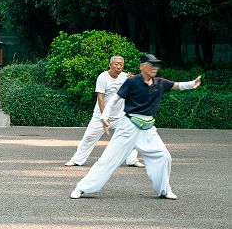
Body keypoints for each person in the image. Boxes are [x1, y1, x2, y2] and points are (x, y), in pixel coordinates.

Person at [70, 54, 201, 200]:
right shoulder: (132, 82)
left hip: (148, 129)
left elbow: (176, 85)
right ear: (142, 66)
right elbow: (114, 99)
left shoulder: (160, 83)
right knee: (108, 159)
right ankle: (81, 188)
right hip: (128, 127)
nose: (154, 68)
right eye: (151, 64)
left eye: (156, 65)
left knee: (164, 156)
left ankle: (164, 190)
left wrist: (192, 84)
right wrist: (104, 116)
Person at [64, 55, 144, 168]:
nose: (119, 66)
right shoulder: (103, 77)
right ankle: (77, 160)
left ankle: (132, 160)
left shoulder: (126, 76)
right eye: (116, 64)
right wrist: (104, 116)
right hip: (101, 115)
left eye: (121, 64)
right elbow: (100, 98)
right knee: (89, 137)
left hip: (120, 115)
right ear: (110, 65)